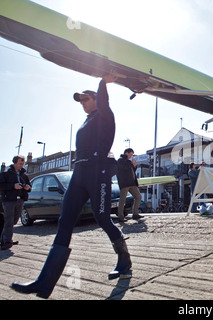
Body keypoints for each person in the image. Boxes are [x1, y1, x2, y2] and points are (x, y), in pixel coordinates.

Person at [11, 72, 132, 299]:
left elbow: (105, 102)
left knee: (103, 218)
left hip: (99, 172)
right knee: (65, 220)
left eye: (87, 99)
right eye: (81, 100)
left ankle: (124, 261)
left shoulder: (106, 116)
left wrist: (103, 83)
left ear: (97, 99)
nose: (83, 103)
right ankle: (44, 282)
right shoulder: (86, 121)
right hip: (80, 172)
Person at [0, 155, 31, 250]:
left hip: (20, 200)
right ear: (14, 163)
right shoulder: (5, 173)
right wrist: (13, 186)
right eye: (20, 163)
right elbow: (1, 186)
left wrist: (28, 187)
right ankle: (7, 241)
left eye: (23, 163)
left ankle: (3, 239)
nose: (22, 165)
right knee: (9, 221)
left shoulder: (24, 175)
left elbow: (29, 186)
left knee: (14, 221)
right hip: (9, 200)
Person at [117, 148, 143, 221]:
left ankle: (135, 214)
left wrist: (134, 166)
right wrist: (131, 163)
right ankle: (121, 216)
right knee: (122, 200)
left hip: (132, 183)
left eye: (132, 155)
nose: (131, 156)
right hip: (124, 183)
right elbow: (125, 167)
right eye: (130, 154)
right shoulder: (120, 160)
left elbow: (132, 171)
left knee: (138, 197)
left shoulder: (128, 162)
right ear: (126, 153)